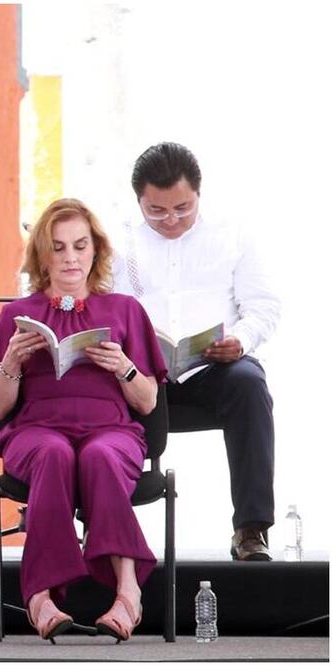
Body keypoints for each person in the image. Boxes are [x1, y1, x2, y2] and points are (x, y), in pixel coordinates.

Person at [0, 198, 167, 642]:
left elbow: (147, 402)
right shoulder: (17, 316)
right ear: (42, 255)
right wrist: (11, 361)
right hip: (36, 431)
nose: (70, 258)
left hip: (111, 431)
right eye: (58, 248)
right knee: (53, 453)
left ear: (95, 250)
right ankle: (40, 596)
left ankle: (128, 592)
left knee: (100, 456)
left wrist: (123, 367)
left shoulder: (124, 309)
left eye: (80, 246)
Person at [112, 142, 279, 561]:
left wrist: (240, 340)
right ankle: (103, 529)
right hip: (139, 373)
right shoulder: (118, 242)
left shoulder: (231, 234)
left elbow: (262, 306)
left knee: (250, 384)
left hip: (211, 368)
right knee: (92, 391)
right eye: (157, 211)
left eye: (182, 209)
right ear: (139, 201)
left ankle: (251, 529)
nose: (171, 220)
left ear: (198, 195)